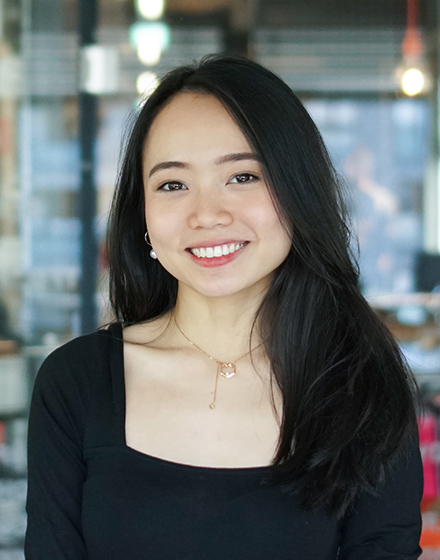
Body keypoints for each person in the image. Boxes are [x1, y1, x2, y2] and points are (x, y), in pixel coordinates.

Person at [25, 55, 423, 559]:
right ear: (143, 216)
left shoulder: (365, 392)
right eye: (172, 184)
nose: (207, 214)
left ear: (298, 192)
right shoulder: (76, 382)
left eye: (243, 176)